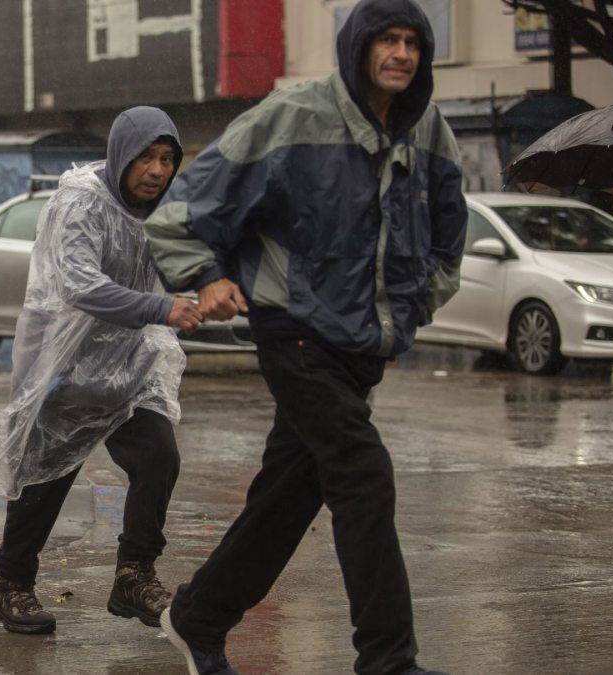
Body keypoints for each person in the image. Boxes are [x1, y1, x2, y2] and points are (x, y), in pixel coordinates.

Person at [142, 1, 467, 673]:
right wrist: (207, 277)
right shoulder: (292, 117)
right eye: (388, 41)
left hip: (362, 349)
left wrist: (408, 312)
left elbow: (448, 241)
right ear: (358, 48)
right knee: (364, 474)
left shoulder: (429, 130)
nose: (401, 54)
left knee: (288, 497)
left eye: (413, 42)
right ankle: (388, 659)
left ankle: (198, 615)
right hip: (293, 332)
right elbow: (178, 214)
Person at [0, 106, 203, 635]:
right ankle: (9, 587)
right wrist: (159, 308)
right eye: (146, 157)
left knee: (159, 458)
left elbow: (183, 258)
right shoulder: (81, 201)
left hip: (128, 366)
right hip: (64, 364)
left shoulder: (160, 210)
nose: (157, 170)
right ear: (123, 153)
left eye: (167, 159)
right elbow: (78, 282)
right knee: (44, 481)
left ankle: (134, 576)